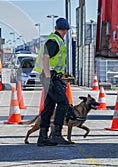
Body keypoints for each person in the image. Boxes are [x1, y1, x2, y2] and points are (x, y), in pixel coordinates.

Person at [33, 17, 75, 146]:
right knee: (63, 103)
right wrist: (48, 77)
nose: (64, 32)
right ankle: (56, 134)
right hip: (50, 77)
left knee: (49, 107)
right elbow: (46, 58)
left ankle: (43, 137)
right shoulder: (54, 41)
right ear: (66, 30)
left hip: (51, 76)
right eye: (64, 30)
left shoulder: (54, 39)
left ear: (56, 28)